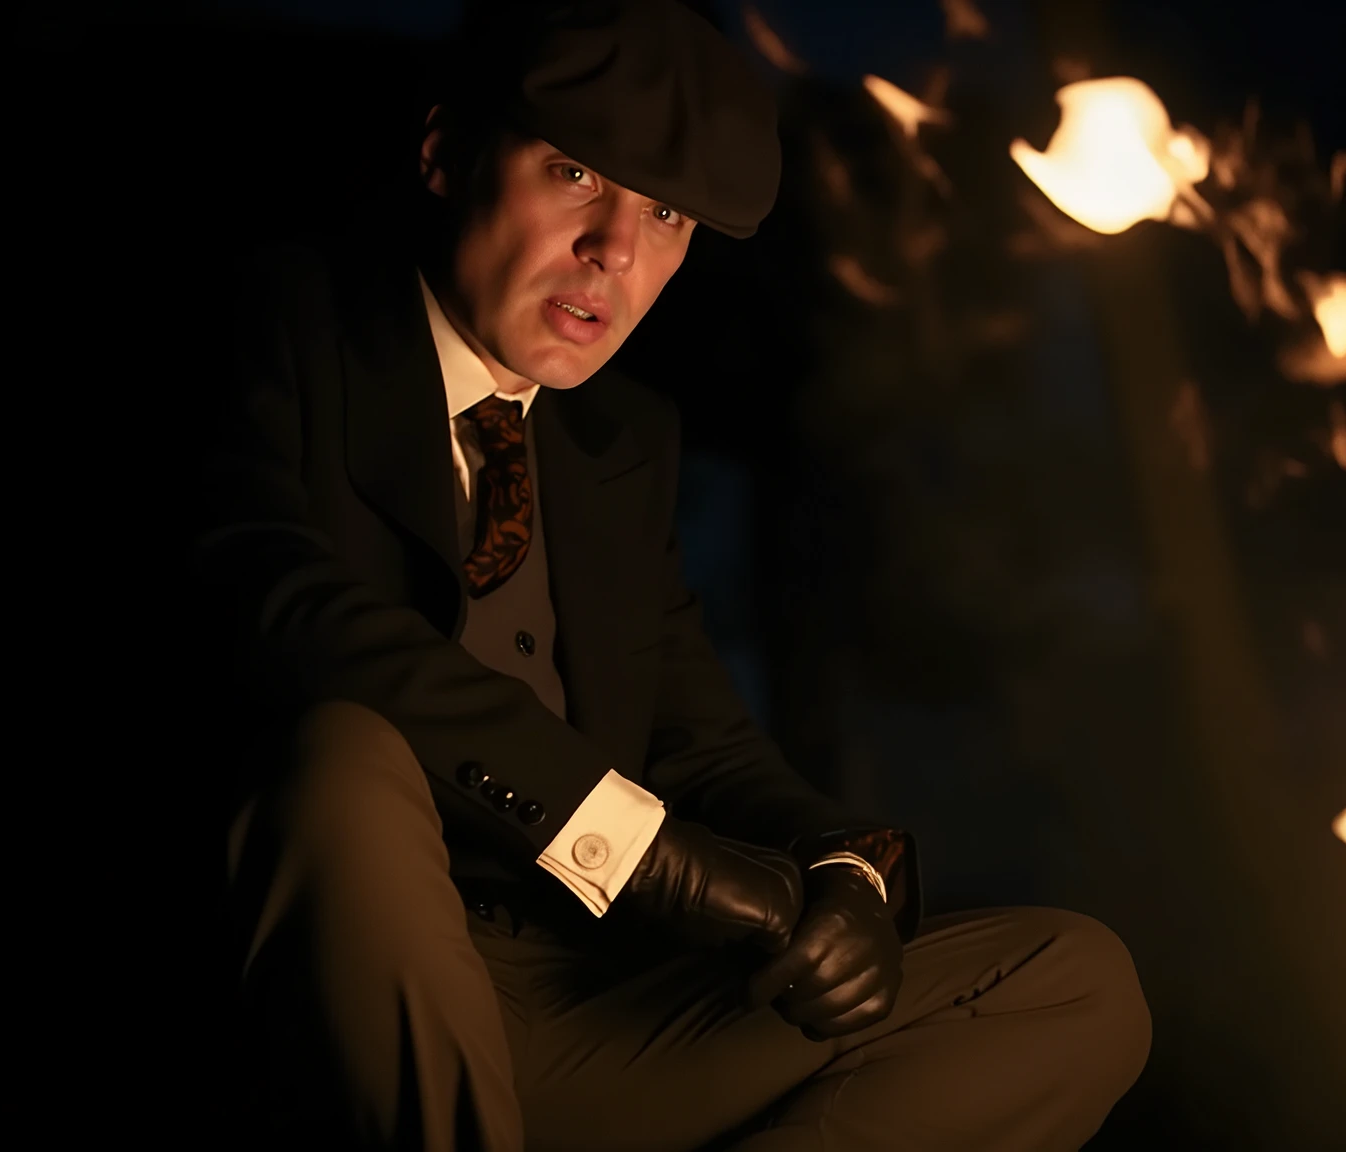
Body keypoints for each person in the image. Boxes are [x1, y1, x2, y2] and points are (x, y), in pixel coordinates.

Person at [198, 2, 1150, 1148]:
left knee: (1071, 984)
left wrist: (845, 869)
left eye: (665, 214)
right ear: (446, 153)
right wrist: (644, 856)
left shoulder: (615, 446)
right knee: (341, 757)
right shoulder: (277, 324)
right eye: (573, 172)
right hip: (332, 988)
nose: (616, 251)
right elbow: (276, 602)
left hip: (584, 1010)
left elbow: (701, 741)